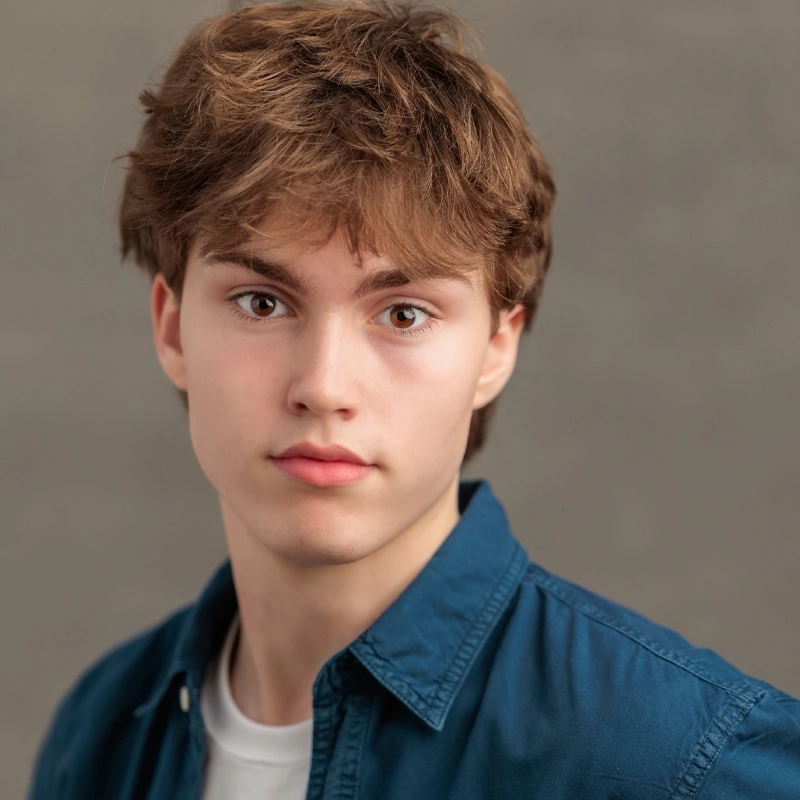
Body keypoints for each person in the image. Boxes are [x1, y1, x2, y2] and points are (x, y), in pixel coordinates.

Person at [27, 1, 800, 798]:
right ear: (172, 328)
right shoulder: (102, 732)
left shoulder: (676, 759)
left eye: (403, 314)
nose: (324, 386)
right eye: (262, 302)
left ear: (497, 346)